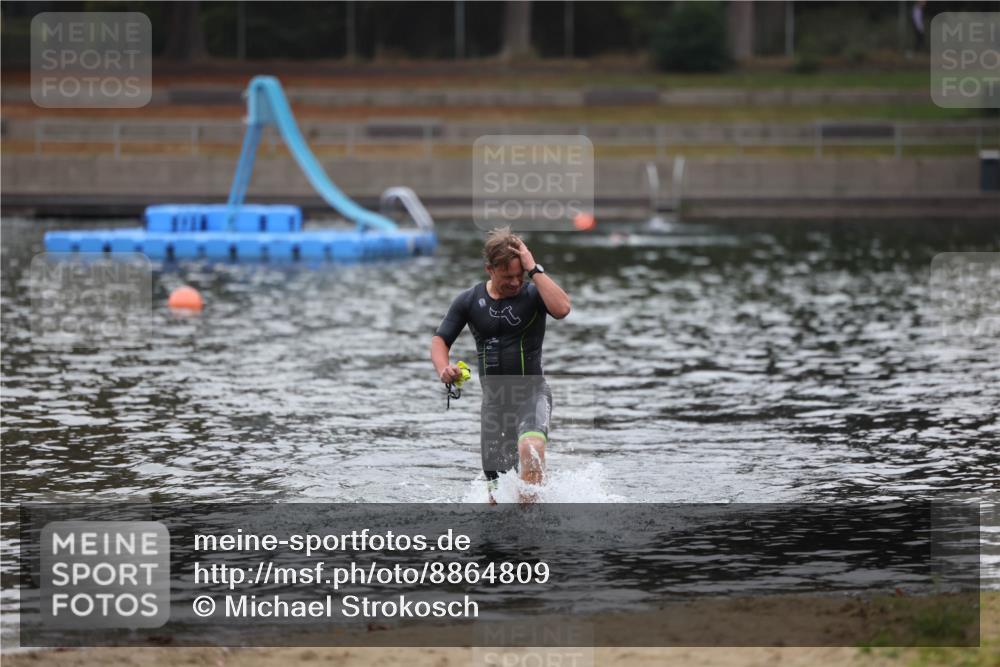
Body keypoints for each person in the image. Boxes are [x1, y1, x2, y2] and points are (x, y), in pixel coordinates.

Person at [431, 227, 571, 503]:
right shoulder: (469, 301)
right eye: (508, 277)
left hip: (531, 393)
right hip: (494, 405)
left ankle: (532, 535)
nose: (516, 283)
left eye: (520, 275)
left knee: (531, 448)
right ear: (489, 270)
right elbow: (440, 340)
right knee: (496, 497)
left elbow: (562, 309)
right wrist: (444, 370)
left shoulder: (534, 294)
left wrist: (535, 269)